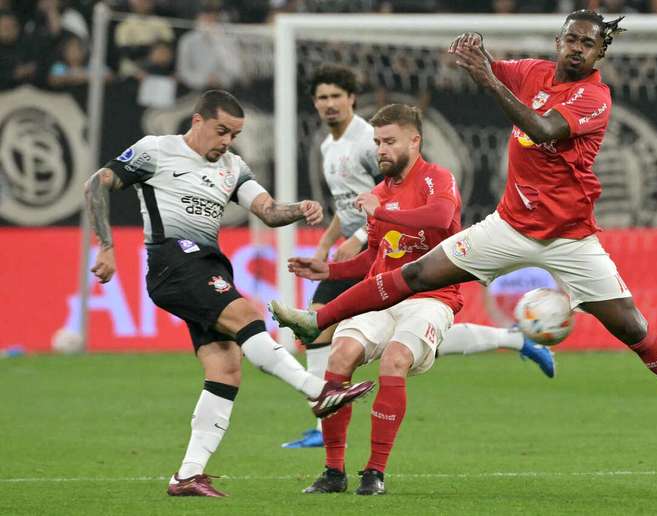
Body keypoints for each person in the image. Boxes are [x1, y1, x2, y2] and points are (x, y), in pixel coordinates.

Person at [270, 10, 657, 460]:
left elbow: (542, 128)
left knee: (634, 330)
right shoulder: (533, 72)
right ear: (559, 41)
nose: (577, 49)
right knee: (415, 273)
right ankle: (318, 319)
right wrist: (475, 52)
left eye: (588, 44)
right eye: (571, 39)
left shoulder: (595, 98)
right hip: (510, 224)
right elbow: (486, 65)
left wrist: (487, 77)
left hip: (570, 237)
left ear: (600, 55)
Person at [83, 90, 374, 498]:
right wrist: (106, 246)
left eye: (234, 134)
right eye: (221, 131)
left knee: (225, 367)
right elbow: (97, 183)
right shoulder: (156, 150)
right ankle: (318, 390)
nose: (226, 141)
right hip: (174, 260)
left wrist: (300, 209)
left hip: (207, 263)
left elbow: (269, 211)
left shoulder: (232, 166)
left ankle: (187, 476)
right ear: (197, 121)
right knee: (248, 317)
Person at [291, 103, 464, 495]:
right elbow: (375, 255)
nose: (380, 150)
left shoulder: (437, 179)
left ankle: (375, 472)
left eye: (389, 141)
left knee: (394, 359)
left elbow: (438, 219)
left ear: (414, 141)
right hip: (382, 295)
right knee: (339, 354)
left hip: (431, 296)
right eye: (376, 142)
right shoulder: (379, 194)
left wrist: (382, 211)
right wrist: (329, 271)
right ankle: (334, 472)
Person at [281, 64, 382, 449]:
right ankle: (324, 425)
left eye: (336, 96)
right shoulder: (328, 146)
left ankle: (513, 340)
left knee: (410, 335)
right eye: (322, 98)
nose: (329, 104)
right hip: (356, 247)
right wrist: (325, 243)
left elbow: (390, 191)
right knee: (316, 326)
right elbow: (347, 205)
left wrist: (358, 237)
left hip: (380, 246)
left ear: (352, 98)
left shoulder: (368, 140)